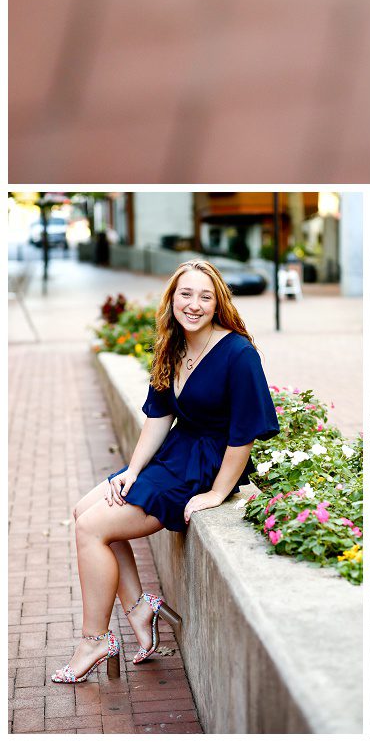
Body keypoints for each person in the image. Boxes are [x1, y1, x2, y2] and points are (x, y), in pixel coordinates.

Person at [52, 261, 281, 684]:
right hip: (173, 454)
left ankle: (96, 639)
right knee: (86, 511)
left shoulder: (238, 354)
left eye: (205, 296)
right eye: (186, 295)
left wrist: (217, 493)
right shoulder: (172, 346)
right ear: (172, 299)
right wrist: (133, 471)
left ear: (219, 303)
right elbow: (159, 417)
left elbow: (244, 433)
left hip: (204, 464)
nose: (194, 305)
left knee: (91, 529)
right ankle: (140, 607)